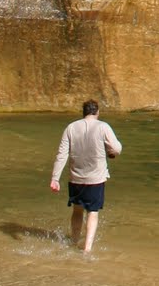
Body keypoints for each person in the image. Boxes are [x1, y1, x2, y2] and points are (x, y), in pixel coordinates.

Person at [50, 99, 122, 254]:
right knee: (92, 212)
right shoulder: (103, 126)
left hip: (76, 178)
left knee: (77, 211)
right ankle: (87, 249)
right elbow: (117, 149)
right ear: (97, 112)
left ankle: (74, 241)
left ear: (84, 112)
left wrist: (55, 178)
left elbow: (61, 154)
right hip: (96, 179)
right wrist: (110, 151)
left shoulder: (71, 127)